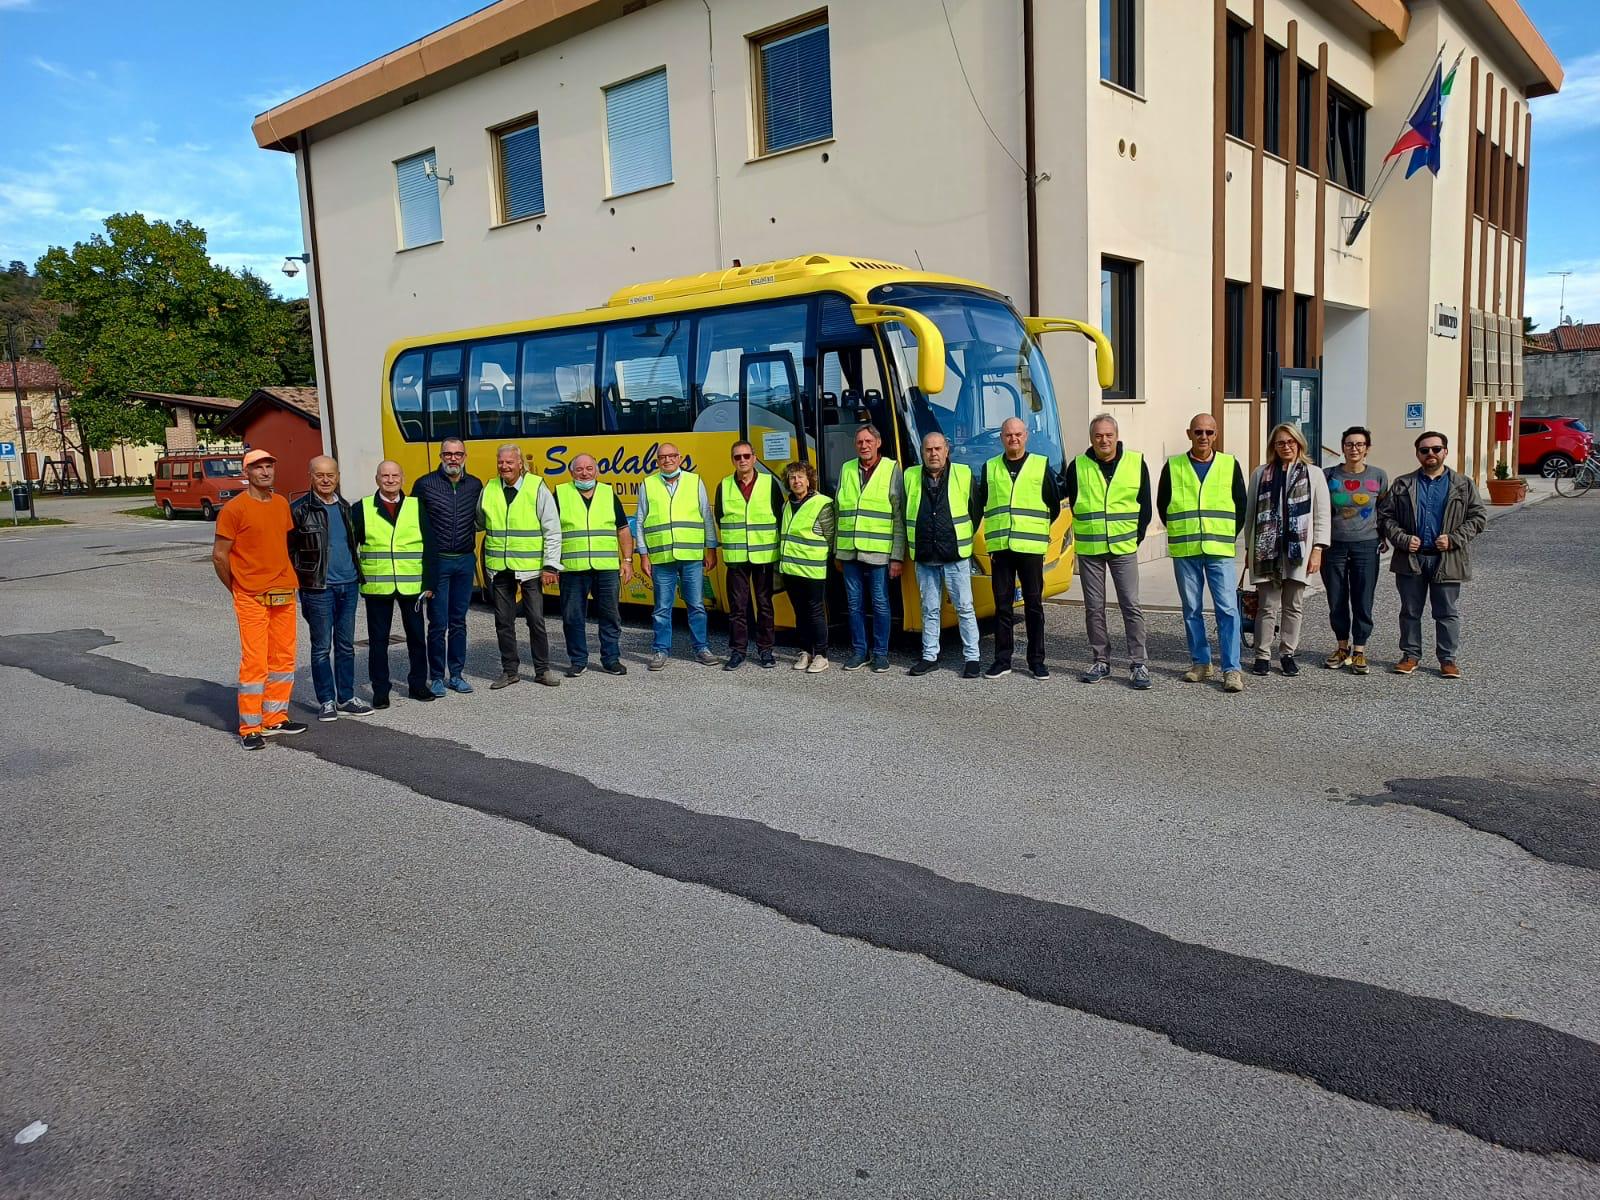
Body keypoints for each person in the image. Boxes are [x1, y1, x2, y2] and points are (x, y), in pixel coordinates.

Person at [212, 448, 307, 749]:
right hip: (251, 595)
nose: (265, 472)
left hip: (283, 592)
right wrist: (237, 587)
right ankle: (249, 727)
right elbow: (219, 556)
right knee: (255, 661)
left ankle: (275, 716)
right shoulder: (234, 509)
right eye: (258, 468)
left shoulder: (281, 504)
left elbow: (281, 544)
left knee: (283, 658)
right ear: (247, 473)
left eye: (269, 466)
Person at [1376, 430, 1488, 677]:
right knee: (1410, 611)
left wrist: (1454, 539)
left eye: (1436, 449)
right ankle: (1410, 655)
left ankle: (1447, 659)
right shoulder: (1403, 484)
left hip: (1447, 559)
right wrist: (1402, 539)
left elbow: (1478, 517)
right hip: (1411, 559)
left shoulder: (1462, 484)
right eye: (1424, 450)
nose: (1430, 454)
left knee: (1446, 612)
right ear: (1417, 454)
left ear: (1445, 452)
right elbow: (1386, 517)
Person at [1156, 413, 1249, 693]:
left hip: (1219, 549)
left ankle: (1231, 669)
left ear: (1216, 434)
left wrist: (1226, 536)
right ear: (1189, 434)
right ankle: (1201, 662)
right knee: (1191, 610)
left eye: (1209, 432)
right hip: (1186, 549)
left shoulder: (1229, 465)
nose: (1204, 437)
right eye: (1198, 432)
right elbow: (1163, 505)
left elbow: (1240, 506)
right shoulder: (1173, 466)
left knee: (1228, 610)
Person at [1063, 414, 1153, 689]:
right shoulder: (1077, 466)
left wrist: (1134, 538)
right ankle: (1101, 660)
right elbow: (1072, 502)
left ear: (1117, 436)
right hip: (1090, 548)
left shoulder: (1136, 462)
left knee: (1130, 605)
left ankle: (1139, 664)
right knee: (1094, 608)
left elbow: (1145, 506)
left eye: (1108, 435)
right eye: (1099, 436)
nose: (1104, 440)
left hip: (1123, 548)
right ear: (1091, 438)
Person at [1243, 423, 1332, 676]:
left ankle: (1287, 653)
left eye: (1291, 442)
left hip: (1299, 550)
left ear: (1299, 444)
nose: (1286, 446)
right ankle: (1262, 654)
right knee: (1267, 606)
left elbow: (1322, 515)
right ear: (1274, 446)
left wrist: (1318, 549)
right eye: (1281, 442)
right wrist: (1250, 548)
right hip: (1266, 550)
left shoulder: (1314, 474)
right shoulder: (1261, 473)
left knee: (1293, 606)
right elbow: (1251, 515)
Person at [976, 416, 1061, 679]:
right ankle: (1002, 660)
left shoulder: (1040, 465)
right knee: (1002, 606)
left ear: (1026, 437)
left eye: (1018, 434)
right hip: (1001, 548)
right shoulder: (990, 468)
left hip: (1030, 548)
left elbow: (1054, 506)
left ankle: (1037, 661)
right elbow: (982, 504)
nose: (1013, 439)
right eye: (1008, 435)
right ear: (1002, 438)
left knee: (1033, 605)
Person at [290, 455, 372, 720]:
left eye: (331, 475)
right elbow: (289, 551)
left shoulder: (346, 507)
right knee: (322, 646)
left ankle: (346, 697)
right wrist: (299, 583)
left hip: (348, 585)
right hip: (318, 588)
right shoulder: (299, 509)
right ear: (310, 476)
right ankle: (326, 700)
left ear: (337, 477)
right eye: (320, 475)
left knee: (346, 645)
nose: (326, 480)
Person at [479, 443, 562, 690]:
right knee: (503, 622)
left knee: (536, 620)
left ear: (520, 464)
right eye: (501, 462)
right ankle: (510, 671)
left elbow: (552, 528)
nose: (504, 466)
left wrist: (550, 566)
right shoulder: (490, 488)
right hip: (500, 567)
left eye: (509, 462)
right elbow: (480, 521)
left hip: (531, 568)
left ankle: (542, 670)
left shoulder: (537, 487)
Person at [351, 460, 433, 707]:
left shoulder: (416, 506)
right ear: (377, 479)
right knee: (378, 641)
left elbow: (430, 546)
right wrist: (359, 577)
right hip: (378, 586)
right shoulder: (361, 508)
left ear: (402, 478)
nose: (390, 480)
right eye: (385, 476)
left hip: (412, 585)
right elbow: (350, 547)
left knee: (417, 638)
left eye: (394, 475)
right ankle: (380, 690)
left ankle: (418, 685)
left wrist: (429, 582)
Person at [902, 432, 981, 678]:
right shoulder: (909, 476)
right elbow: (905, 509)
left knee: (965, 607)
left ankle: (972, 658)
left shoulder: (963, 474)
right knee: (929, 609)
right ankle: (929, 656)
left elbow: (975, 511)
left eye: (938, 449)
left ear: (946, 450)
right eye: (928, 450)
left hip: (954, 554)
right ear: (922, 453)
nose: (933, 454)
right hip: (925, 554)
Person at [636, 441, 719, 670]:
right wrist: (643, 554)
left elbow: (706, 516)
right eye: (662, 457)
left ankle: (701, 647)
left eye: (672, 456)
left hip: (691, 556)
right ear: (658, 461)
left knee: (696, 605)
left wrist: (710, 549)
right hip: (661, 558)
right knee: (662, 608)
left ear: (679, 458)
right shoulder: (648, 484)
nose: (667, 460)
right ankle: (660, 650)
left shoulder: (695, 482)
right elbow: (640, 522)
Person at [413, 437, 483, 695]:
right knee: (438, 622)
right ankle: (437, 677)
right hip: (438, 561)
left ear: (465, 456)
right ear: (441, 456)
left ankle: (456, 674)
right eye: (448, 454)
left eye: (458, 454)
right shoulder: (424, 485)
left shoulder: (475, 485)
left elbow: (480, 518)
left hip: (465, 560)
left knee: (459, 621)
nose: (453, 458)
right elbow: (415, 522)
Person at [834, 425, 906, 673]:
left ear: (878, 443)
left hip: (878, 551)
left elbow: (899, 517)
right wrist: (837, 551)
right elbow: (838, 511)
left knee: (880, 604)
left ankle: (881, 654)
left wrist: (897, 556)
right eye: (859, 442)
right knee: (854, 604)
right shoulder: (846, 469)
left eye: (868, 441)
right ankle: (859, 651)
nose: (863, 446)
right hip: (849, 551)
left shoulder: (891, 469)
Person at [554, 453, 633, 677]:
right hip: (572, 568)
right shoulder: (560, 494)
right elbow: (550, 532)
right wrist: (550, 565)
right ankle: (578, 661)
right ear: (572, 472)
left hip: (606, 567)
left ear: (596, 471)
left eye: (589, 468)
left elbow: (623, 530)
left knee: (610, 615)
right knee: (572, 617)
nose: (585, 473)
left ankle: (611, 659)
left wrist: (627, 560)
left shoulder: (608, 494)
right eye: (579, 469)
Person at [1321, 425, 1389, 674]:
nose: (1354, 448)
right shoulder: (1328, 475)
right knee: (1337, 598)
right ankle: (1341, 647)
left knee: (1363, 598)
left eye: (1360, 444)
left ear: (1367, 449)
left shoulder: (1379, 476)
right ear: (1342, 447)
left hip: (1366, 544)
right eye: (1350, 444)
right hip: (1334, 545)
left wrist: (1384, 536)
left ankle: (1359, 649)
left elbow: (1384, 510)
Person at [715, 440, 785, 670]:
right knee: (738, 607)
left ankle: (766, 651)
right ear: (732, 460)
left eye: (746, 456)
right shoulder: (723, 486)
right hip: (736, 559)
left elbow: (779, 514)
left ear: (754, 458)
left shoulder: (769, 483)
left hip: (763, 557)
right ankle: (738, 651)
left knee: (764, 605)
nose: (742, 460)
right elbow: (719, 517)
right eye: (737, 457)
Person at [779, 460, 834, 673]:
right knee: (799, 612)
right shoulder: (787, 504)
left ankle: (821, 654)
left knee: (815, 611)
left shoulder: (822, 503)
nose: (796, 481)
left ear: (809, 479)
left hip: (812, 570)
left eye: (800, 476)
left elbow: (830, 536)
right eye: (792, 477)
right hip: (791, 570)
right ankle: (805, 651)